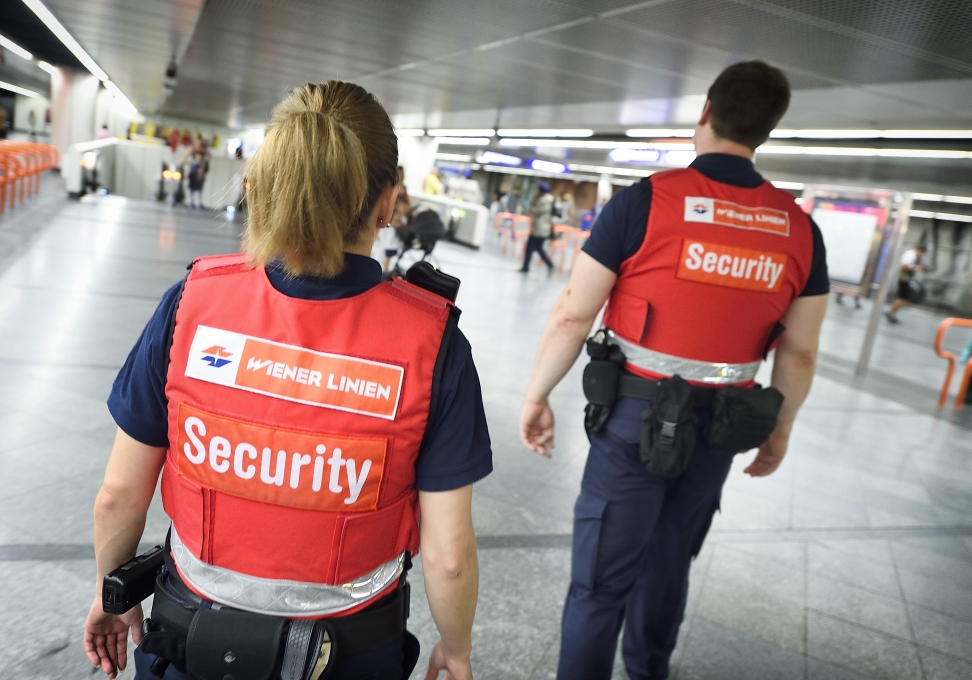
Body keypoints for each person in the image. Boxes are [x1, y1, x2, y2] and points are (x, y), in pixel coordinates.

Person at [83, 81, 491, 680]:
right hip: (351, 655)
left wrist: (109, 591)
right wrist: (456, 649)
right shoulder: (434, 346)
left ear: (266, 187)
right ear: (387, 204)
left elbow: (119, 494)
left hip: (189, 640)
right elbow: (449, 558)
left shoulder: (191, 304)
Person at [519, 61, 829, 680]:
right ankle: (649, 670)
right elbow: (798, 352)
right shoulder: (799, 230)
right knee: (668, 566)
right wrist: (782, 428)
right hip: (722, 427)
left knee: (600, 580)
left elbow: (571, 316)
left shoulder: (646, 202)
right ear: (769, 128)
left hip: (634, 419)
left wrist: (536, 395)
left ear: (706, 110)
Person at [520, 181, 555, 273]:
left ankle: (549, 264)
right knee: (531, 248)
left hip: (541, 230)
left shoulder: (545, 200)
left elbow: (536, 211)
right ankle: (526, 266)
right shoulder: (545, 199)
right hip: (537, 228)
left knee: (537, 248)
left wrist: (533, 203)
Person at [885, 245, 927, 323]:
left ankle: (891, 312)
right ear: (919, 250)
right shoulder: (910, 255)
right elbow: (903, 266)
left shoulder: (911, 255)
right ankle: (891, 312)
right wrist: (915, 268)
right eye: (921, 253)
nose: (920, 255)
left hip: (906, 279)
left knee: (903, 298)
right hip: (904, 279)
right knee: (904, 298)